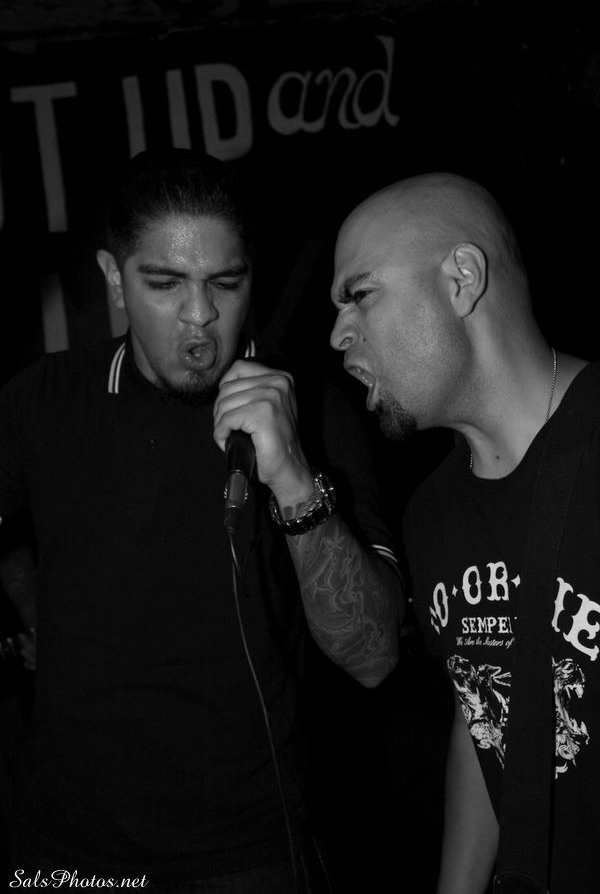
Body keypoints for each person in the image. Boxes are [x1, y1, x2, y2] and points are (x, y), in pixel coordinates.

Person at [0, 149, 403, 891]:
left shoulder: (312, 407)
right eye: (164, 283)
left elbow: (374, 656)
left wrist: (293, 478)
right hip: (58, 852)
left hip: (248, 857)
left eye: (225, 282)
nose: (200, 314)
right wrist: (29, 599)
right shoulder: (43, 401)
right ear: (113, 279)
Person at [329, 171, 598, 894]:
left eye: (359, 294)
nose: (338, 334)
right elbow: (481, 718)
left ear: (462, 279)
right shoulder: (431, 515)